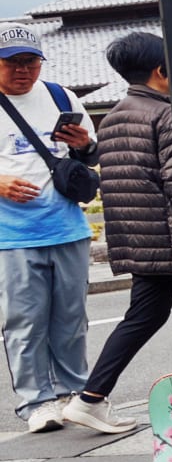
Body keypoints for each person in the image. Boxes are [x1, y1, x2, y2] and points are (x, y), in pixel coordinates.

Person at [64, 33, 172, 433]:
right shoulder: (165, 114)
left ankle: (90, 398)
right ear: (162, 70)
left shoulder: (115, 115)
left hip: (138, 239)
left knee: (143, 317)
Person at [0, 23, 98, 432]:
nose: (23, 71)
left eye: (31, 62)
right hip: (11, 235)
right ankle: (36, 402)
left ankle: (75, 393)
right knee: (24, 321)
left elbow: (90, 154)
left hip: (67, 226)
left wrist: (82, 144)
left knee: (71, 318)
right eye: (12, 63)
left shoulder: (61, 96)